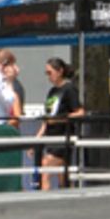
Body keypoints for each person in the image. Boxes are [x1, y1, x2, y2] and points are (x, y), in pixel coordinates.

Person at [37, 57, 84, 190]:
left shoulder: (69, 89)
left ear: (60, 71)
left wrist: (60, 119)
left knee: (45, 167)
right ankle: (69, 194)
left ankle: (44, 198)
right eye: (46, 73)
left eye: (50, 73)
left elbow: (80, 112)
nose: (48, 76)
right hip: (51, 136)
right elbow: (47, 118)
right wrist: (38, 136)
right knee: (63, 176)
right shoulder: (52, 92)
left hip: (63, 137)